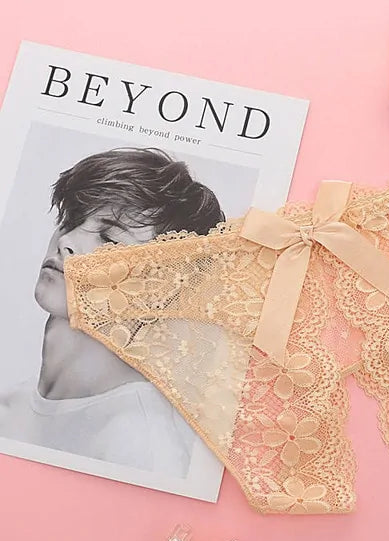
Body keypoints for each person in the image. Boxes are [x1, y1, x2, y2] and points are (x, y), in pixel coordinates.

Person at [0, 148, 225, 477]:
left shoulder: (141, 444)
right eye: (72, 219)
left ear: (162, 288)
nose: (67, 240)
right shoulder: (12, 404)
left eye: (109, 239)